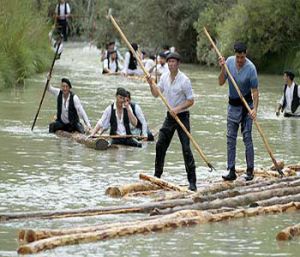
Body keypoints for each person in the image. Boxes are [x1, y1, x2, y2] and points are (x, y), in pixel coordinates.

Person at [147, 52, 197, 191]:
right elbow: (156, 94)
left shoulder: (184, 80)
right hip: (170, 117)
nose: (170, 64)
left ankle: (192, 182)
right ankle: (157, 176)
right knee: (160, 145)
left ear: (178, 64)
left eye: (173, 62)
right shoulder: (164, 77)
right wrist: (151, 84)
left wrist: (177, 109)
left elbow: (191, 100)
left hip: (182, 117)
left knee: (186, 149)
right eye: (169, 62)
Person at [218, 42, 259, 181]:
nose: (239, 60)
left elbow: (255, 91)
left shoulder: (251, 68)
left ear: (245, 54)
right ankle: (231, 170)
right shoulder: (228, 62)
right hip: (232, 105)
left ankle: (250, 171)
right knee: (230, 138)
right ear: (234, 55)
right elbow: (220, 82)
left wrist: (254, 109)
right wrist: (223, 68)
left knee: (247, 137)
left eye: (242, 57)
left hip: (246, 105)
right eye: (237, 57)